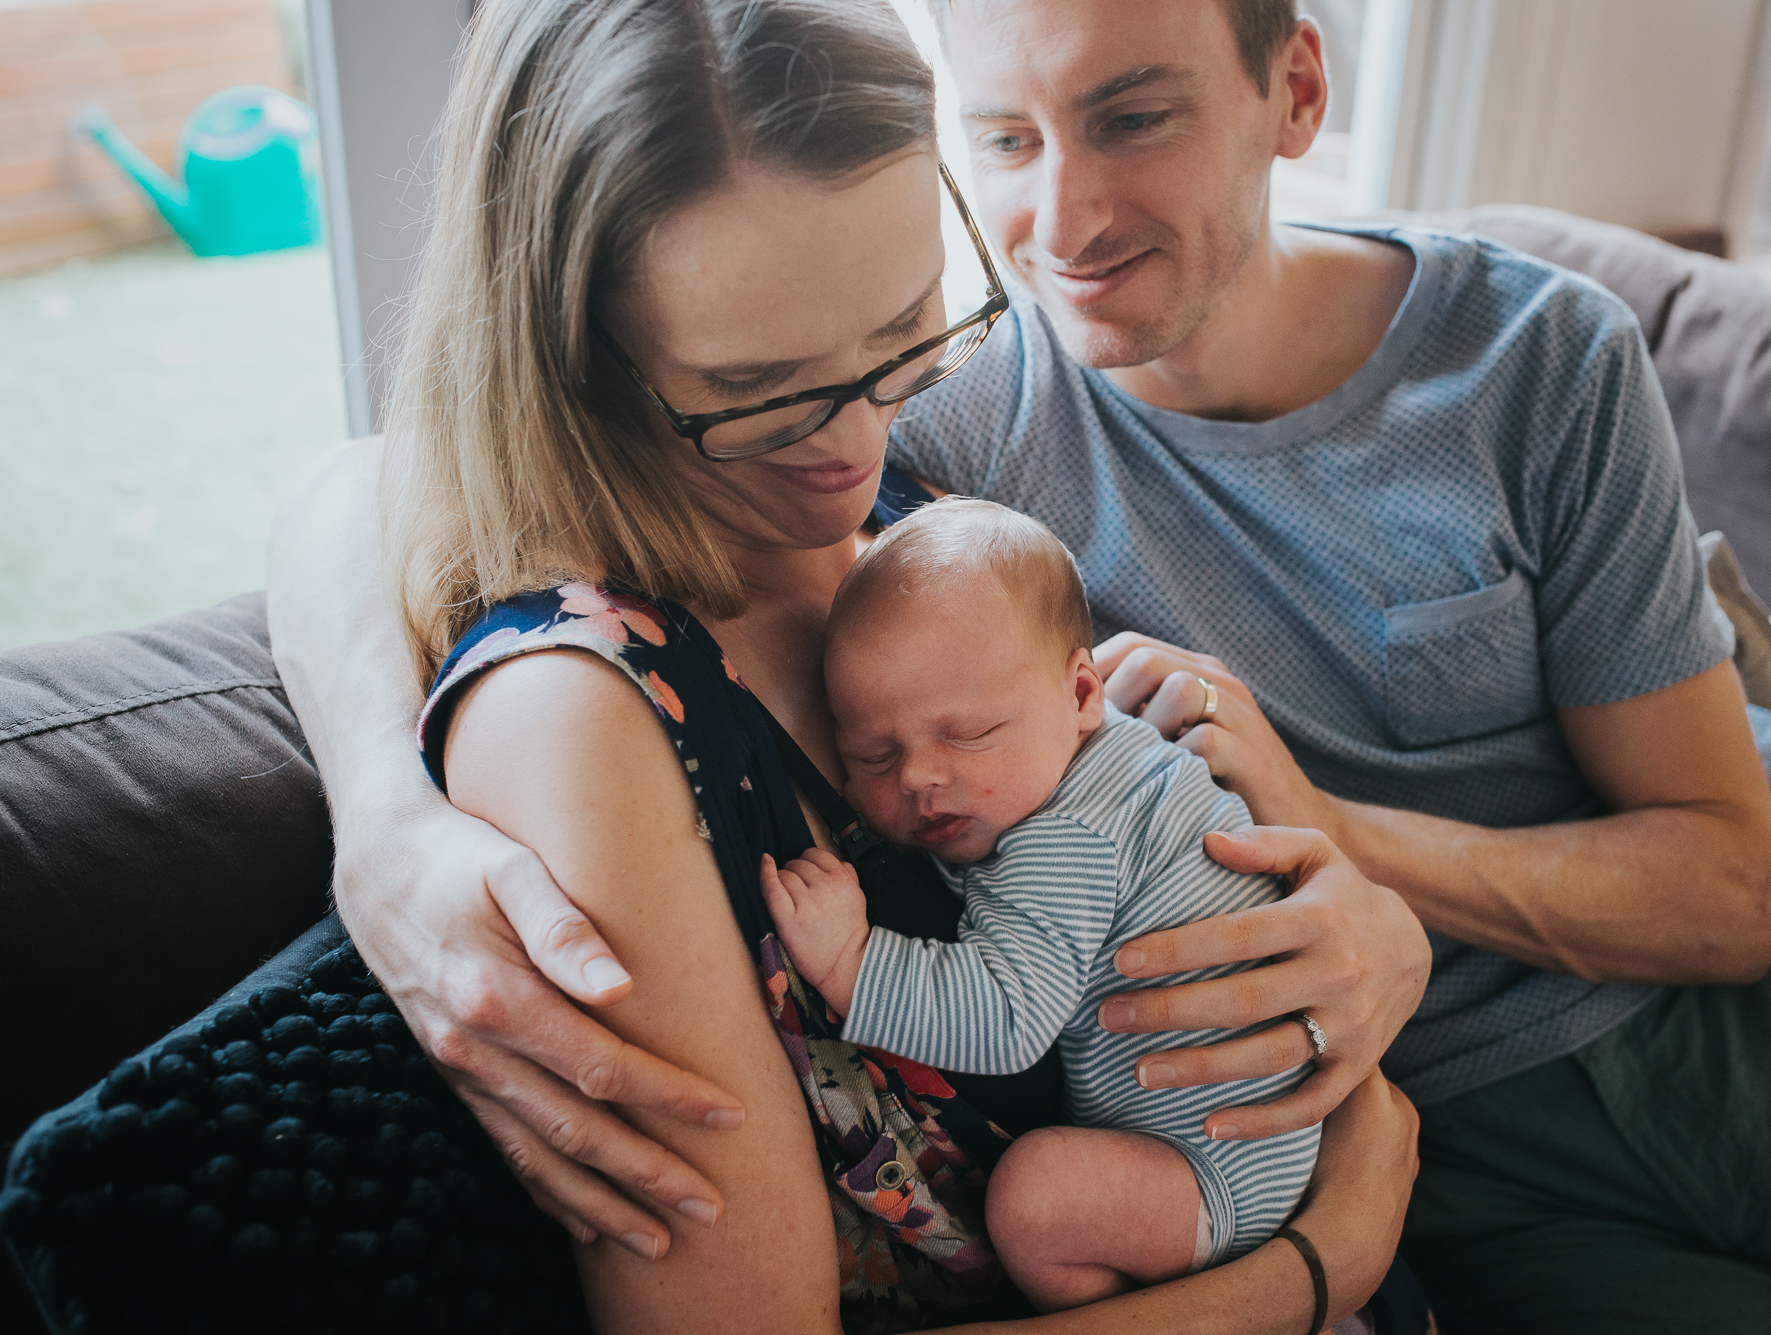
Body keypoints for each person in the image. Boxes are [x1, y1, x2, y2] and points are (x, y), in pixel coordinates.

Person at [267, 0, 1435, 1331]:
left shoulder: (909, 505)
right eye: (760, 385)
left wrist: (1377, 925)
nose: (859, 435)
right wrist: (1315, 1264)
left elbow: (354, 482)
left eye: (901, 326)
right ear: (575, 347)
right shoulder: (584, 713)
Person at [873, 1, 1771, 1332]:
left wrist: (1332, 827)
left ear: (1294, 91)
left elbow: (1737, 890)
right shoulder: (950, 461)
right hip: (1464, 1153)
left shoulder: (1540, 358)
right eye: (1006, 138)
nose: (1060, 223)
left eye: (1133, 117)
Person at [762, 498, 1322, 1313]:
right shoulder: (1080, 763)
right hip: (1256, 1136)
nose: (918, 776)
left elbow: (1007, 1016)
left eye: (969, 733)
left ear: (1084, 692)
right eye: (873, 754)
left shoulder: (1071, 833)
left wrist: (854, 964)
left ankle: (1121, 1309)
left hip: (1211, 1170)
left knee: (1032, 1199)